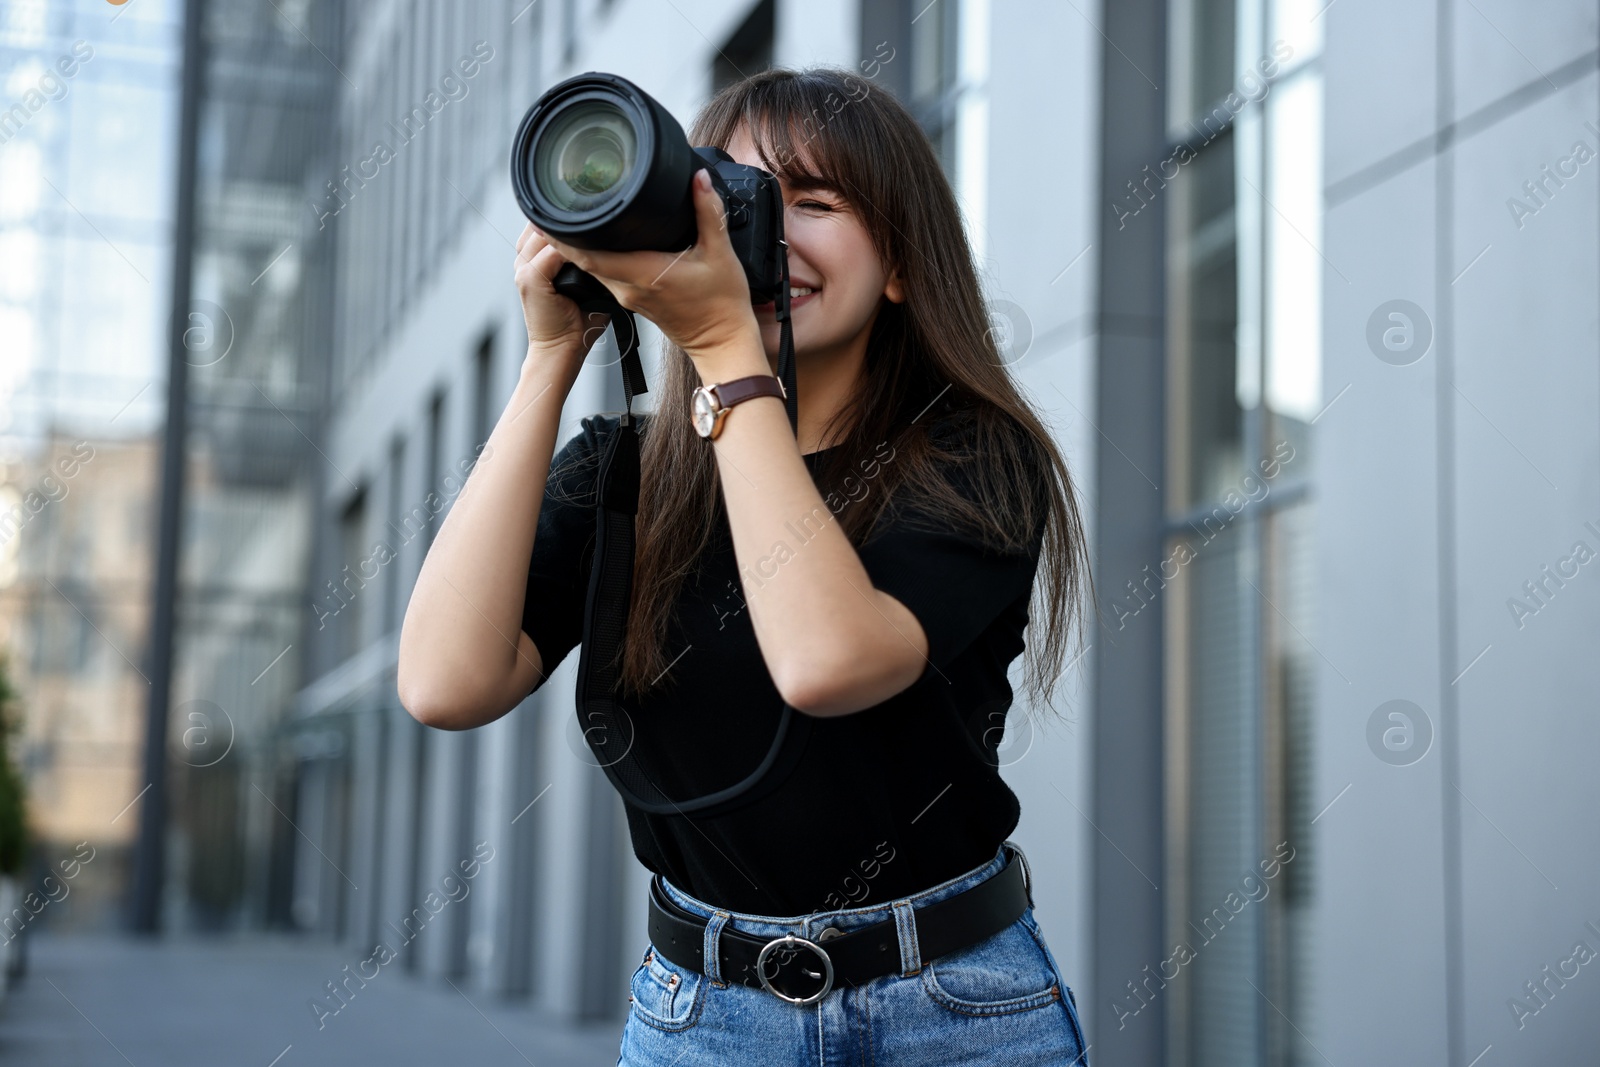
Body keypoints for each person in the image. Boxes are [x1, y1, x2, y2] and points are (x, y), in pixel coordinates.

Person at [398, 65, 1095, 1066]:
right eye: (733, 197)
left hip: (953, 1008)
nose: (767, 233)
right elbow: (442, 682)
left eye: (811, 202)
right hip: (703, 1017)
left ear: (899, 262)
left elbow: (825, 662)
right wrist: (551, 356)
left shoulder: (972, 456)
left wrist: (729, 345)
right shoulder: (624, 473)